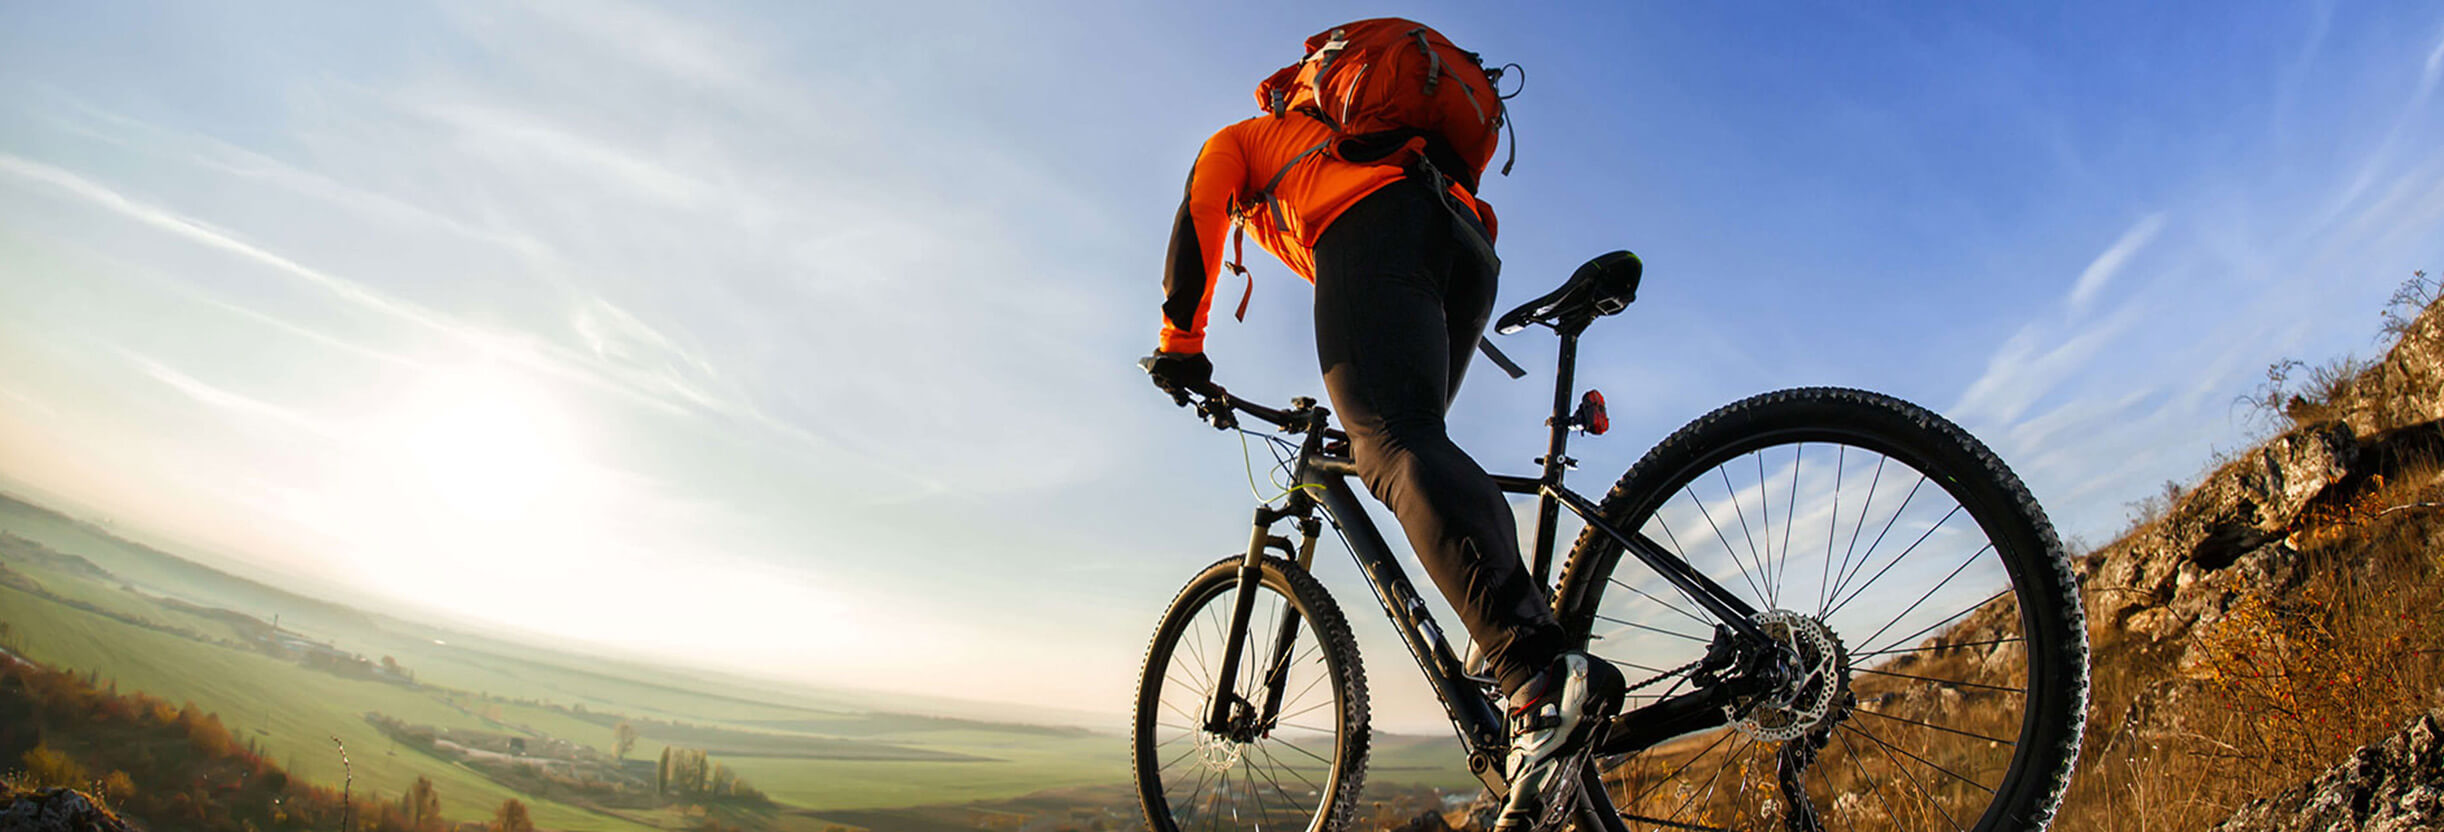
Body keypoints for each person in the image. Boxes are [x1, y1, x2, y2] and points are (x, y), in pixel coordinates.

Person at [1141, 89, 1625, 830]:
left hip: (1381, 221)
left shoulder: (1243, 142)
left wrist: (1181, 345)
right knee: (1411, 442)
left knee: (1394, 444)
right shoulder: (1344, 145)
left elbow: (1198, 213)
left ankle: (1534, 679)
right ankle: (1523, 650)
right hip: (1463, 241)